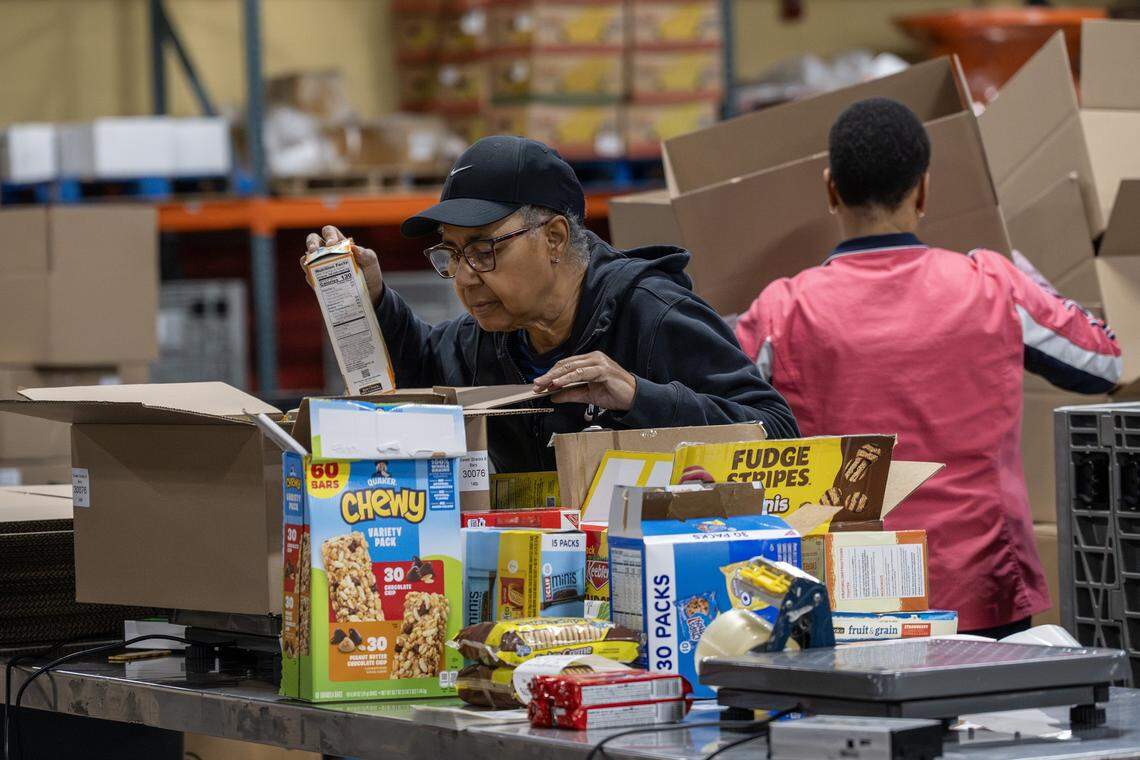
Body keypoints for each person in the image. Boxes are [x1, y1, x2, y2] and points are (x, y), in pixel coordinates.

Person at [735, 98, 1121, 638]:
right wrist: (1026, 271)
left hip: (845, 598)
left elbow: (713, 406)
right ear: (923, 189)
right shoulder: (994, 285)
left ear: (830, 190)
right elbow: (1105, 361)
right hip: (984, 590)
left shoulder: (781, 310)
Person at [305, 135, 799, 474]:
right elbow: (421, 372)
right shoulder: (488, 337)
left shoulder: (652, 313)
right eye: (451, 253)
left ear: (555, 238)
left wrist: (637, 396)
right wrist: (369, 298)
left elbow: (778, 433)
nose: (463, 274)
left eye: (483, 249)